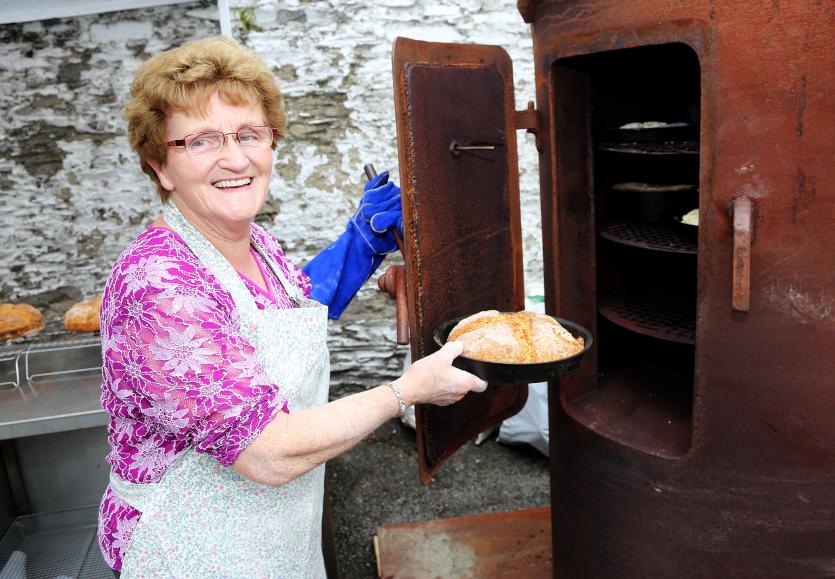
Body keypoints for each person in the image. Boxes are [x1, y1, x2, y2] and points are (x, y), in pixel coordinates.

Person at [97, 36, 487, 577]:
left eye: (249, 134)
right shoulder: (159, 283)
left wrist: (361, 245)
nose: (236, 158)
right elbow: (266, 452)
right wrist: (406, 392)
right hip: (194, 548)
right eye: (202, 141)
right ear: (161, 166)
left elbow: (285, 314)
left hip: (271, 535)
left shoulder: (254, 243)